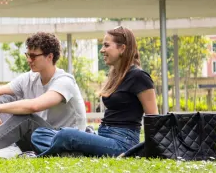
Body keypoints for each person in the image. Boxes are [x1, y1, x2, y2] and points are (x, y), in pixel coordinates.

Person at [30, 26, 157, 157]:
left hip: (123, 143)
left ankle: (48, 155)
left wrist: (140, 152)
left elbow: (154, 119)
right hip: (103, 136)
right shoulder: (115, 76)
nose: (102, 50)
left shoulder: (139, 77)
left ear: (122, 48)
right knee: (40, 134)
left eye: (107, 45)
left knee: (66, 135)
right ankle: (74, 153)